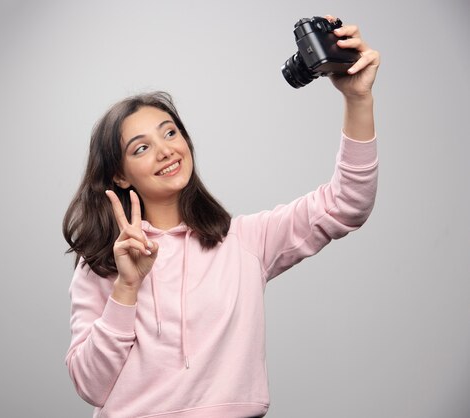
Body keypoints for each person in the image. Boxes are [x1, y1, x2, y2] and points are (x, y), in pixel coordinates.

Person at [62, 15, 380, 418]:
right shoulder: (103, 263)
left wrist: (358, 99)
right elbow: (90, 386)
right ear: (119, 174)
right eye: (141, 148)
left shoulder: (245, 241)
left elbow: (348, 203)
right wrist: (127, 285)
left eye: (170, 132)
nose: (165, 150)